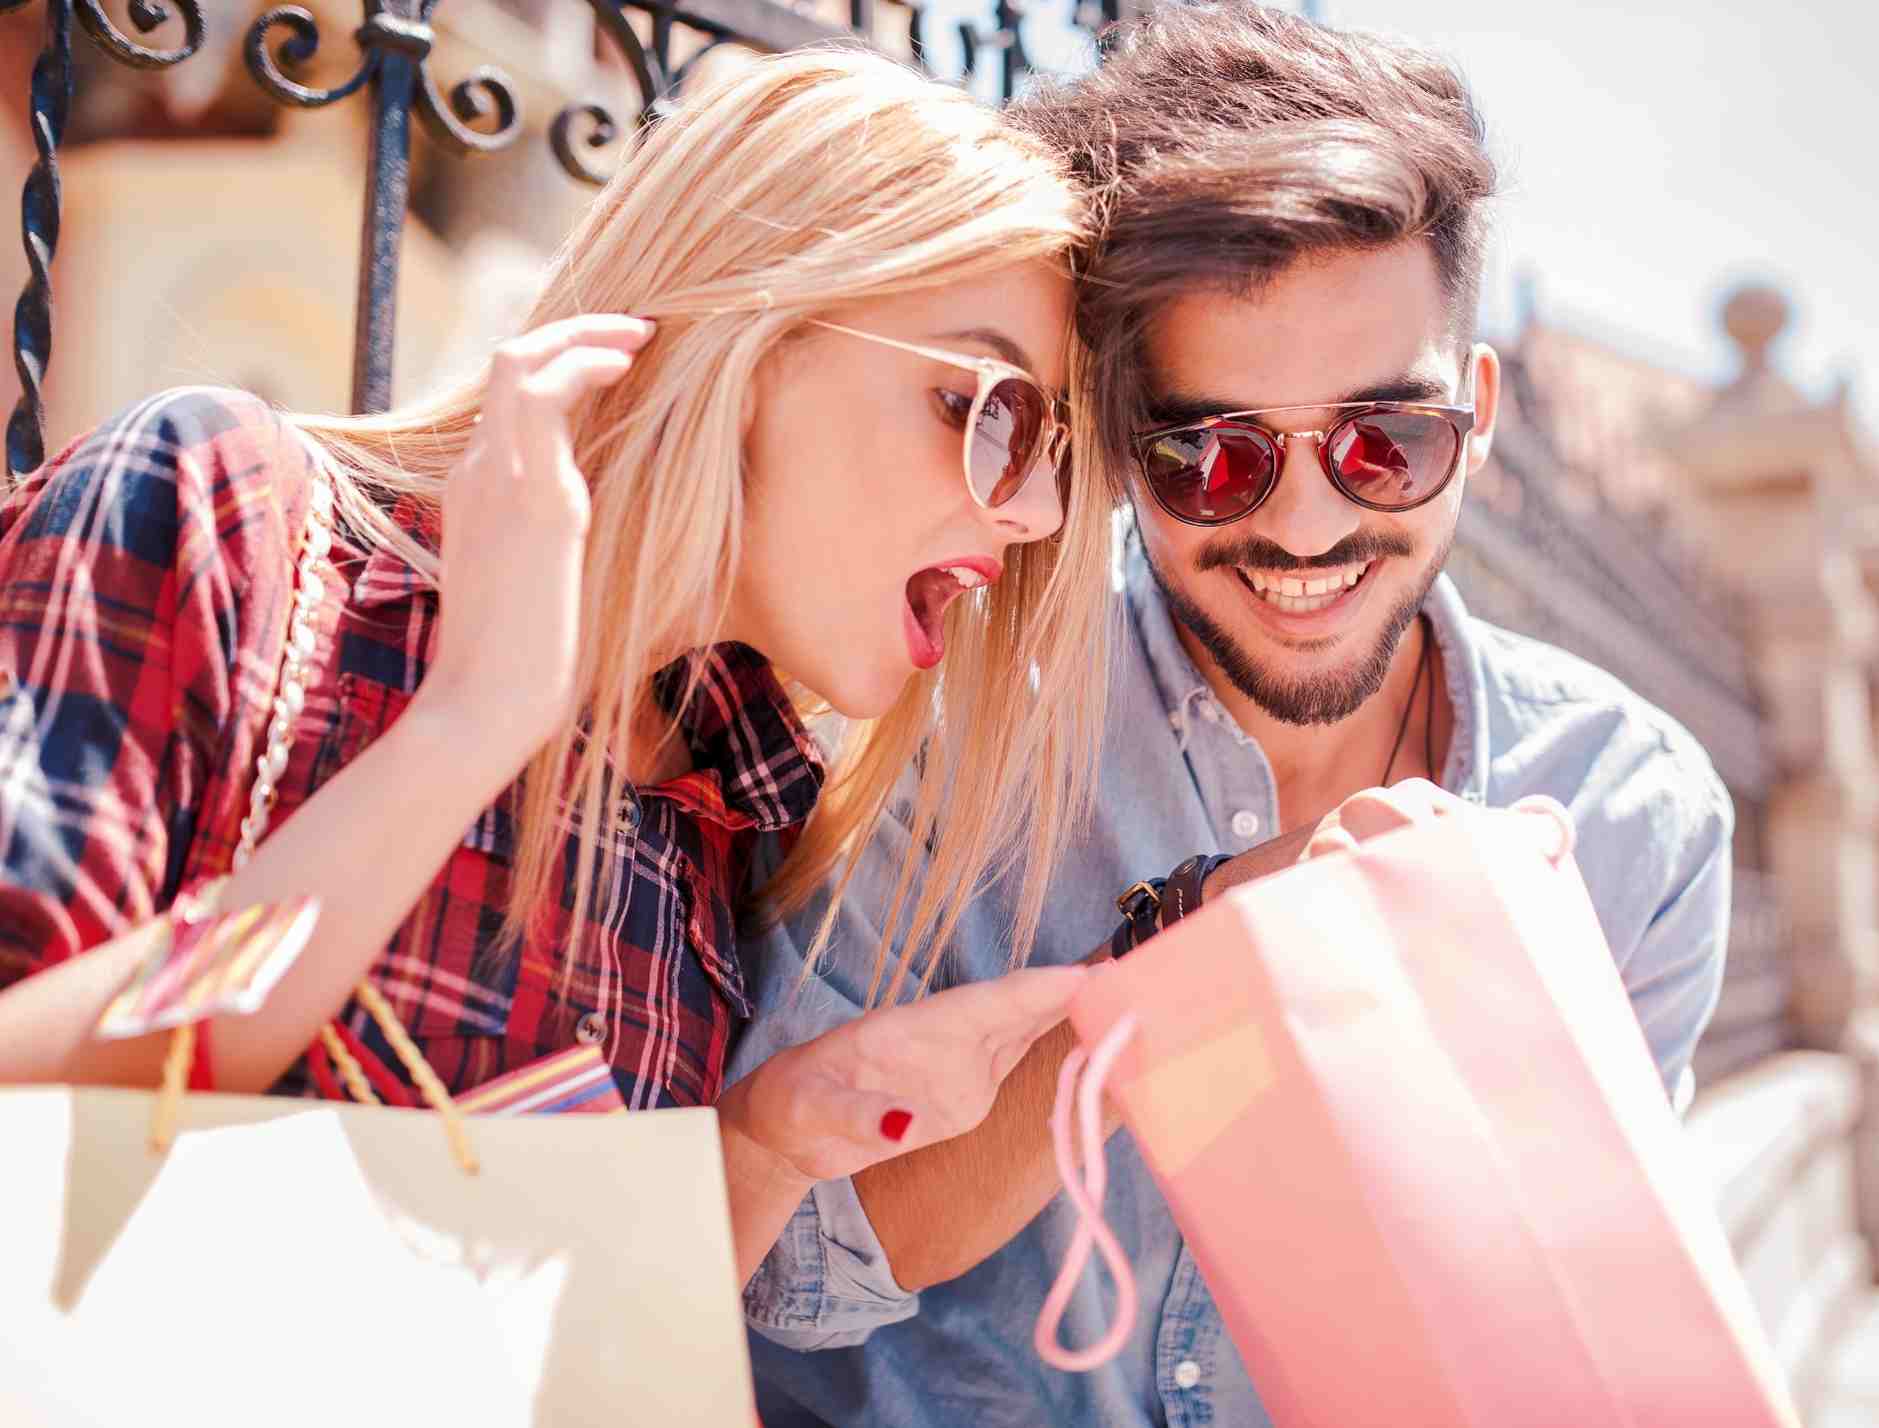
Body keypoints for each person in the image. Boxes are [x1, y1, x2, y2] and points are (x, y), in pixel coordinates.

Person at [730, 7, 1736, 1423]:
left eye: (1387, 441)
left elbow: (1581, 1326)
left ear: (1484, 417)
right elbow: (778, 1269)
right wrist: (1180, 982)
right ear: (1127, 446)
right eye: (1214, 455)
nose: (1309, 524)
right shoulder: (943, 729)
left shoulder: (1635, 815)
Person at [0, 48, 1118, 1286]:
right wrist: (467, 730)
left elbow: (574, 1346)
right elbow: (23, 1099)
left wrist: (761, 1149)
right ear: (750, 334)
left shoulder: (721, 815)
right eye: (995, 412)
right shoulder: (232, 513)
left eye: (1056, 452)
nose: (1040, 515)